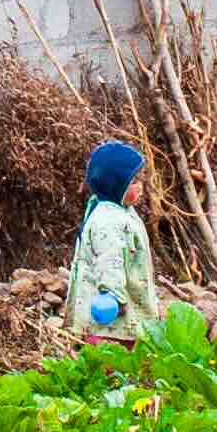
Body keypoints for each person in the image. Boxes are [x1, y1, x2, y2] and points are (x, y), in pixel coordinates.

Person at [67, 137, 160, 336]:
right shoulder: (107, 221)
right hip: (112, 323)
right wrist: (112, 295)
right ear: (116, 184)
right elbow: (109, 259)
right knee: (116, 361)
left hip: (128, 313)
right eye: (134, 181)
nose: (141, 185)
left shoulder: (122, 211)